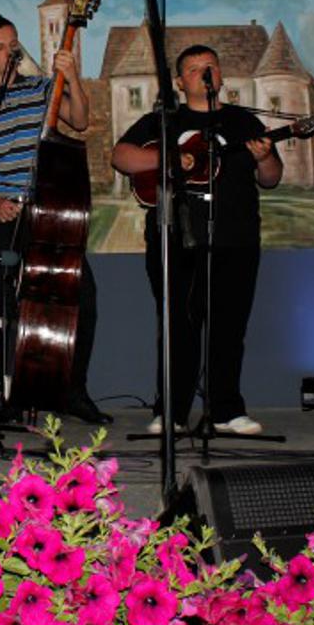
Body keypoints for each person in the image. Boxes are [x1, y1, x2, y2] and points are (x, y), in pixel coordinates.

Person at [111, 44, 282, 435]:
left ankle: (226, 410)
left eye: (211, 67)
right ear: (179, 81)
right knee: (178, 327)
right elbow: (121, 156)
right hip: (176, 237)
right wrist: (169, 159)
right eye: (194, 69)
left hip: (236, 237)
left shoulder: (244, 122)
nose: (205, 73)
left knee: (229, 328)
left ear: (220, 76)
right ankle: (172, 411)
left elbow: (271, 178)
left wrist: (264, 158)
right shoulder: (163, 121)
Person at [0, 13, 111, 425]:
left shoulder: (42, 89)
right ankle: (13, 398)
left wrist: (71, 77)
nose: (10, 52)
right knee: (6, 307)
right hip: (3, 215)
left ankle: (74, 391)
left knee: (80, 298)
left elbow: (79, 120)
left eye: (13, 44)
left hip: (49, 212)